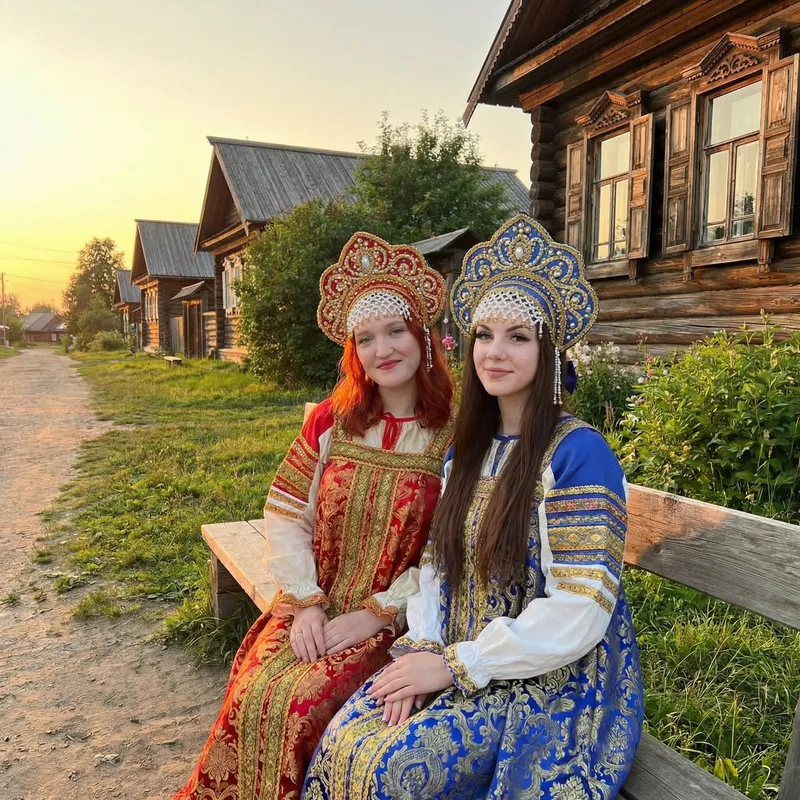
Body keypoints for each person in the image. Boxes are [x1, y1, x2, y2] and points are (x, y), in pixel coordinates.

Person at [303, 215, 643, 800]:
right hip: (457, 650)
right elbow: (438, 568)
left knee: (391, 769)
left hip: (545, 677)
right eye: (484, 334)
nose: (495, 351)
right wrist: (426, 653)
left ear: (550, 348)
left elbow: (581, 608)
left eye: (518, 336)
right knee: (344, 737)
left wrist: (461, 667)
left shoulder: (579, 454)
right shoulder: (468, 449)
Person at [174, 233, 453, 800]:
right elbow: (284, 515)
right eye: (366, 339)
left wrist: (378, 616)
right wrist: (305, 605)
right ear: (354, 351)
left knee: (305, 707)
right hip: (314, 603)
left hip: (396, 618)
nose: (383, 350)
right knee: (255, 691)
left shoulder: (453, 436)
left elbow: (448, 552)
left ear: (422, 335)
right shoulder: (332, 421)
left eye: (395, 330)